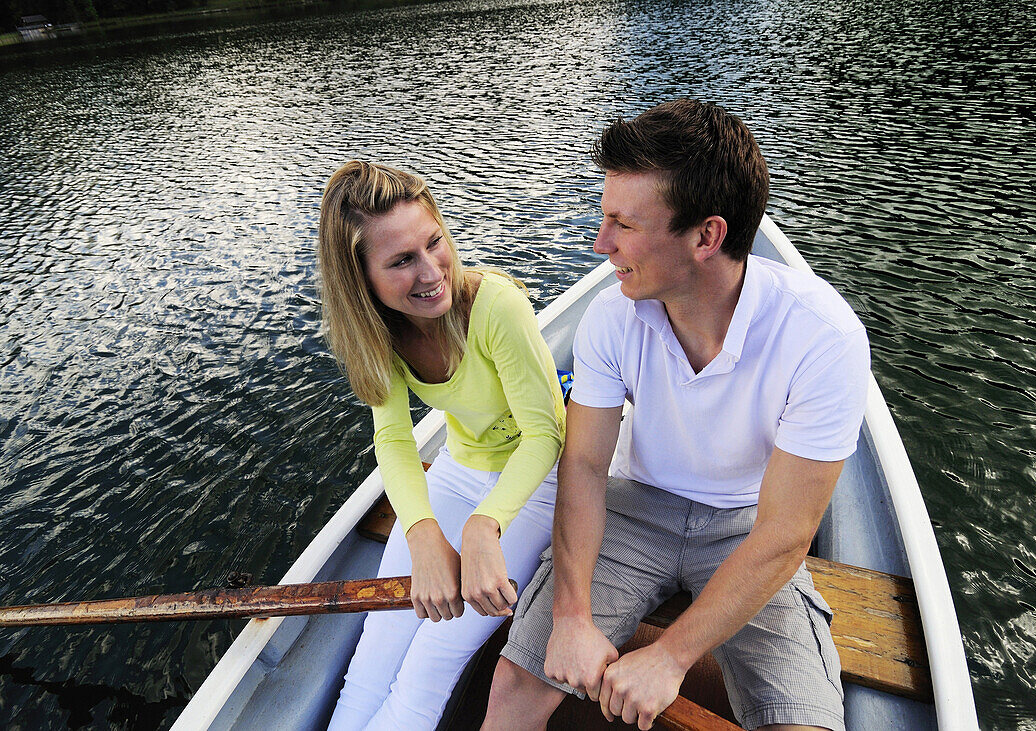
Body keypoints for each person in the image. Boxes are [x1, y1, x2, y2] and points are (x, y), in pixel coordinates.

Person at [482, 99, 870, 731]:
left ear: (706, 237)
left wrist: (669, 657)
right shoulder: (612, 318)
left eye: (623, 224)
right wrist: (573, 618)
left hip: (748, 530)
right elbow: (582, 465)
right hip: (636, 507)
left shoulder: (824, 338)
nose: (602, 243)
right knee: (513, 684)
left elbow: (785, 535)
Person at [317, 161, 566, 730]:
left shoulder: (496, 307)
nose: (432, 273)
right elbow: (394, 440)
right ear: (362, 281)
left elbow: (545, 435)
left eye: (434, 243)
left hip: (540, 480)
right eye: (402, 260)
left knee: (428, 665)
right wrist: (423, 533)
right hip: (459, 466)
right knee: (373, 651)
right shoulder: (378, 331)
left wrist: (484, 527)